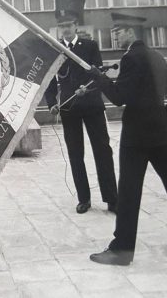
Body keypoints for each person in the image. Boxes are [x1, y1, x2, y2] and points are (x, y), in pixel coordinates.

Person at [88, 13, 167, 266]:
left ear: (131, 32)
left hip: (137, 136)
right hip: (157, 132)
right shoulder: (156, 56)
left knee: (129, 191)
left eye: (118, 30)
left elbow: (120, 96)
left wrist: (99, 79)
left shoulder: (131, 57)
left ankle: (121, 250)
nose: (114, 34)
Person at [45, 19, 117, 214]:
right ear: (59, 29)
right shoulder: (57, 50)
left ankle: (112, 199)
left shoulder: (90, 46)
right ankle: (83, 199)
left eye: (69, 25)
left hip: (92, 105)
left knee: (103, 151)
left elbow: (98, 74)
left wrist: (88, 89)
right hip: (70, 110)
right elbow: (50, 81)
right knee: (76, 155)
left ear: (76, 27)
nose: (66, 29)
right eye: (62, 26)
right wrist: (52, 103)